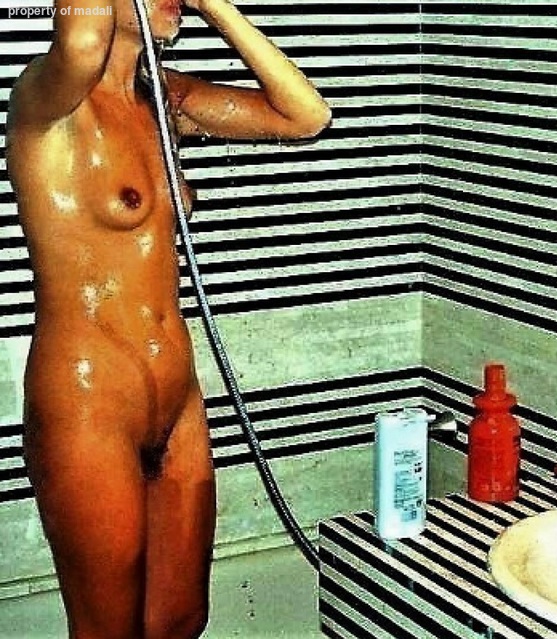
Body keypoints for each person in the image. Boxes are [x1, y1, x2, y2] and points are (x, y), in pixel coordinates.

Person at [6, 1, 331, 637]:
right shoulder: (49, 100)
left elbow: (305, 115)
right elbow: (83, 42)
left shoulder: (163, 100)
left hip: (176, 398)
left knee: (180, 620)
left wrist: (217, 7)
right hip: (88, 403)